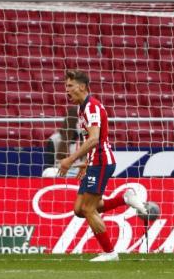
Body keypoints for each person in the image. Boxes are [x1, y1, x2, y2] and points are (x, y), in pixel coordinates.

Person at [58, 70, 147, 262]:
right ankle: (125, 198)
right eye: (66, 86)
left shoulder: (91, 107)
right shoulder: (83, 108)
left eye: (70, 86)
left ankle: (110, 252)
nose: (67, 91)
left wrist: (70, 160)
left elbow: (94, 139)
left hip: (101, 161)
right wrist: (86, 163)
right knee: (80, 210)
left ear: (82, 87)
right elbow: (92, 141)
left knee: (89, 209)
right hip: (94, 162)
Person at [43, 106, 79, 172]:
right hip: (60, 172)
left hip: (79, 173)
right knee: (47, 172)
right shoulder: (54, 139)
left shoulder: (89, 139)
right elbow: (49, 165)